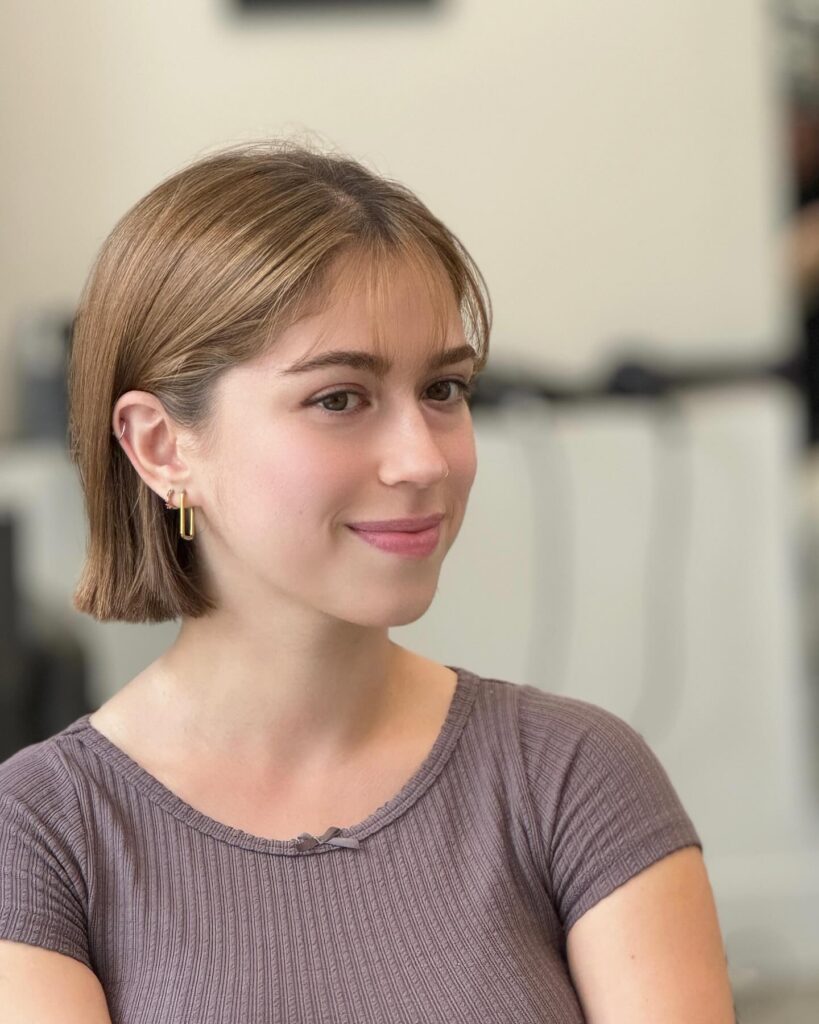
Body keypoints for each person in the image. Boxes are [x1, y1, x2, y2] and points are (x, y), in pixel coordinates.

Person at [0, 139, 735, 1023]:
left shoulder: (575, 778)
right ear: (161, 446)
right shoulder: (41, 837)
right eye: (339, 398)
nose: (423, 458)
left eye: (444, 389)